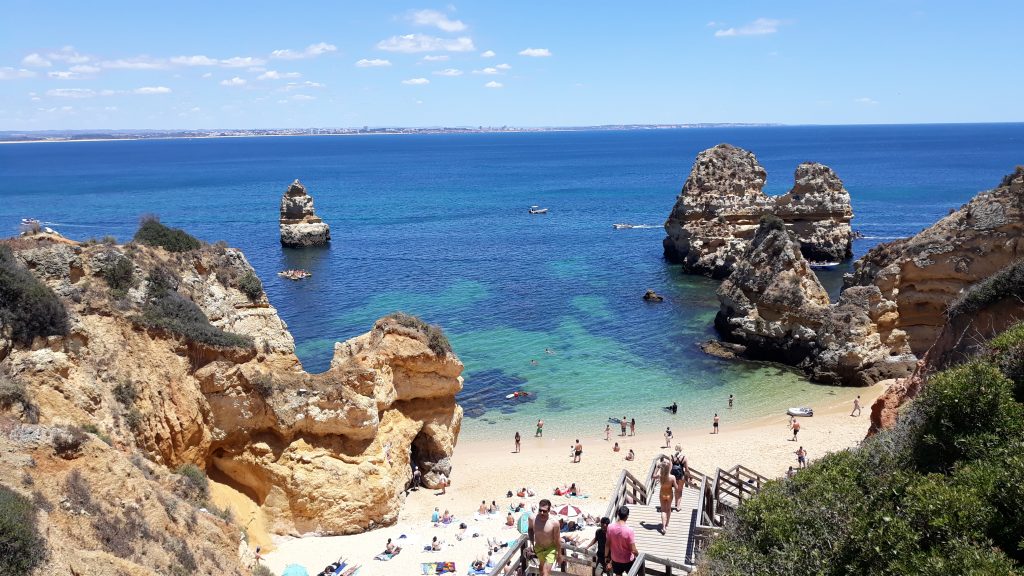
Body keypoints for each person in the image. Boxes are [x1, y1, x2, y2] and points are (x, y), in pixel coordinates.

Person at [529, 499, 562, 576]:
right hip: (538, 548)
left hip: (550, 549)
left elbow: (557, 539)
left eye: (544, 511)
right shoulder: (532, 518)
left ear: (549, 510)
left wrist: (559, 554)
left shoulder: (554, 523)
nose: (542, 513)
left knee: (545, 573)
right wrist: (531, 542)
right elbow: (530, 529)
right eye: (540, 510)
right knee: (541, 570)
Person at [606, 505, 638, 575]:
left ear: (618, 514)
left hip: (615, 559)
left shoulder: (610, 527)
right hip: (628, 560)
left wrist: (606, 558)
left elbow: (607, 544)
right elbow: (633, 550)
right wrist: (638, 556)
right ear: (627, 516)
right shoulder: (630, 530)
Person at [657, 458, 676, 534]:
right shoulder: (672, 477)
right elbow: (676, 487)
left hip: (662, 494)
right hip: (669, 494)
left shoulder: (660, 476)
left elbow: (653, 476)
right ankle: (667, 523)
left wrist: (657, 467)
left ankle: (663, 527)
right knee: (668, 509)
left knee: (663, 510)